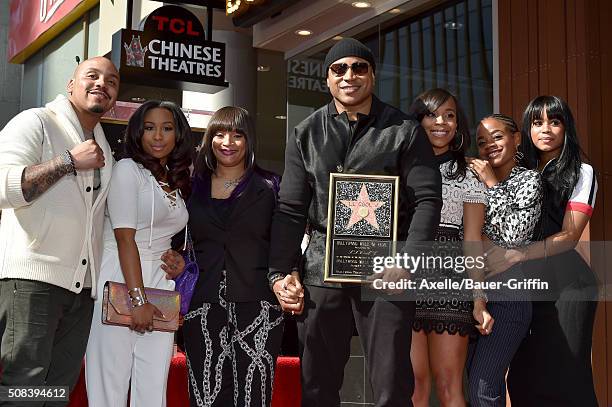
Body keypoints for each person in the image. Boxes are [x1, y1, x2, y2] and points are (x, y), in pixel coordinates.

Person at [268, 37, 442, 406]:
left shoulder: (405, 129)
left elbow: (427, 200)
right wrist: (281, 272)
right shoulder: (306, 133)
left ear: (373, 76)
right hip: (320, 269)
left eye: (359, 67)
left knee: (392, 384)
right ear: (328, 79)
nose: (349, 75)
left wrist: (406, 261)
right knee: (316, 383)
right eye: (339, 69)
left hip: (387, 271)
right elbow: (290, 208)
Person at [0, 57, 119, 402]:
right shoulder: (35, 121)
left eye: (111, 81)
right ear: (70, 85)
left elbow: (99, 222)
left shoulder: (104, 147)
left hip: (80, 290)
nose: (102, 84)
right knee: (24, 386)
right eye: (92, 76)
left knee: (55, 391)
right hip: (32, 281)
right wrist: (68, 161)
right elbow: (3, 187)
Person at [163, 106, 287, 407]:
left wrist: (286, 277)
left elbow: (285, 243)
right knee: (206, 393)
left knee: (254, 394)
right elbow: (178, 238)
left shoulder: (271, 186)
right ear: (209, 139)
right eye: (219, 134)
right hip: (203, 308)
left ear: (249, 140)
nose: (227, 142)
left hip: (258, 304)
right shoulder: (191, 186)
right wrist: (178, 258)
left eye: (237, 134)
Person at [85, 100, 192, 406]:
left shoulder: (175, 179)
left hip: (160, 285)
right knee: (110, 382)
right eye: (149, 128)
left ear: (178, 135)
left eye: (167, 128)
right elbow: (124, 239)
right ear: (137, 133)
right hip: (120, 276)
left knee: (153, 383)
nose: (158, 136)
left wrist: (178, 259)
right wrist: (138, 299)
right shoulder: (127, 170)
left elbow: (171, 235)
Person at [497, 96, 598, 406]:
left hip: (568, 283)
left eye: (555, 122)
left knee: (567, 376)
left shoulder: (581, 171)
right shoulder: (513, 172)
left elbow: (570, 235)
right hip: (523, 284)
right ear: (527, 129)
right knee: (523, 377)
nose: (546, 129)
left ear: (566, 128)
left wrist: (522, 253)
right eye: (537, 122)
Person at [408, 88, 492, 407]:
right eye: (432, 114)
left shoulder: (469, 174)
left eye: (450, 115)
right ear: (418, 120)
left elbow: (472, 240)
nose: (441, 121)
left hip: (450, 282)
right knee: (413, 383)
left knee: (448, 384)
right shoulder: (401, 168)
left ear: (458, 125)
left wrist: (478, 300)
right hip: (407, 276)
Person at [466, 114, 542, 406]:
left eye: (497, 137)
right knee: (476, 382)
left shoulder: (528, 179)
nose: (489, 146)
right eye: (482, 142)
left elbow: (513, 236)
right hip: (476, 293)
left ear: (517, 138)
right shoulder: (470, 181)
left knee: (482, 388)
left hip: (509, 295)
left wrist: (491, 184)